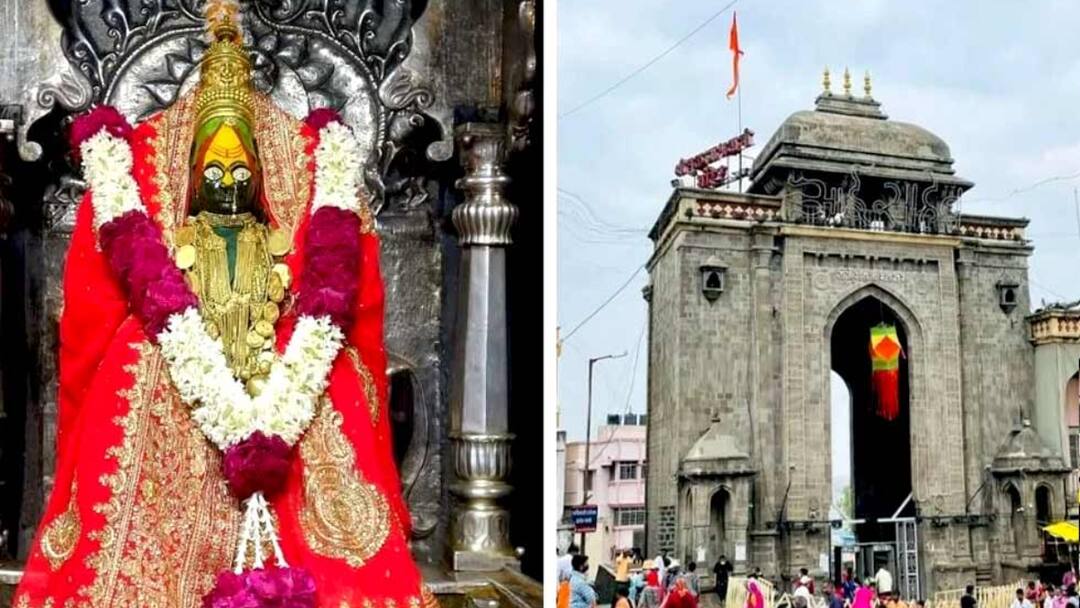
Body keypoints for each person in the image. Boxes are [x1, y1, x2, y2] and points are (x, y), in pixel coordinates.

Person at [11, 2, 434, 606]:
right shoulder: (148, 173)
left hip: (288, 384)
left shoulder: (298, 172)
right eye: (214, 168)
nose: (231, 180)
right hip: (180, 381)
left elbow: (84, 334)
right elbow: (89, 324)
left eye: (243, 170)